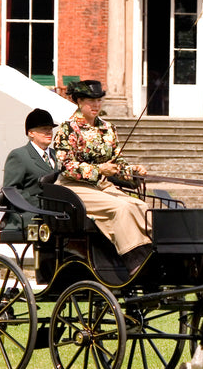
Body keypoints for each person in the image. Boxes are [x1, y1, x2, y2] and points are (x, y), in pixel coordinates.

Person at [53, 80, 151, 275]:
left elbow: (117, 161)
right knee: (120, 207)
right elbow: (65, 166)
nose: (96, 105)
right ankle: (133, 260)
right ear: (79, 101)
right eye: (91, 101)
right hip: (73, 187)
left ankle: (149, 251)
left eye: (99, 101)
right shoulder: (68, 129)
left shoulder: (108, 129)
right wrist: (99, 170)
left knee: (140, 206)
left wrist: (132, 170)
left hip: (101, 186)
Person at [3, 108, 58, 207]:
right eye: (44, 129)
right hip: (30, 215)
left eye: (50, 129)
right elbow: (11, 191)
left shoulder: (57, 154)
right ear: (31, 133)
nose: (49, 132)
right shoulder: (19, 155)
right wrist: (39, 203)